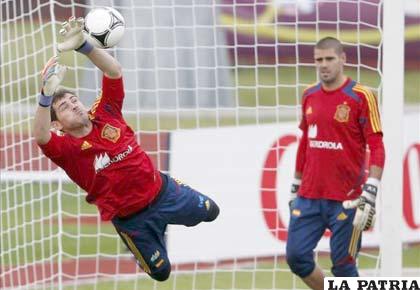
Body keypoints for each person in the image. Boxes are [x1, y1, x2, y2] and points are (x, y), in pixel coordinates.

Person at [33, 16, 219, 282]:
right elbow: (40, 135)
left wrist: (84, 45)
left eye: (74, 100)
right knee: (161, 272)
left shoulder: (106, 112)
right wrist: (45, 98)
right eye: (64, 107)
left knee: (212, 211)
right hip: (133, 221)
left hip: (165, 193)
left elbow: (114, 72)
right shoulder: (66, 149)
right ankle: (143, 238)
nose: (74, 105)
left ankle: (173, 195)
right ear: (58, 126)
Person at [286, 37, 385, 289]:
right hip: (309, 195)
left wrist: (371, 189)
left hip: (347, 198)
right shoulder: (309, 94)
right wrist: (295, 184)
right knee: (296, 257)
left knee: (343, 267)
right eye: (319, 60)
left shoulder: (361, 96)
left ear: (343, 59)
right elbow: (306, 142)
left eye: (329, 59)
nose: (324, 65)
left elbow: (376, 145)